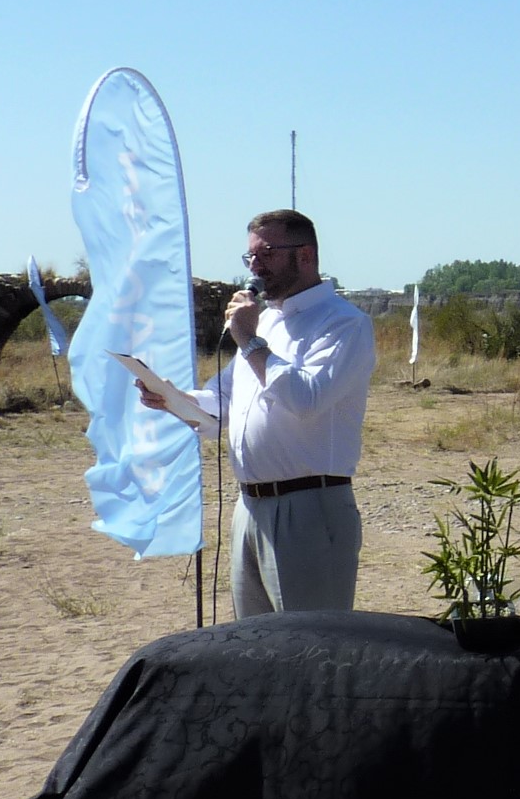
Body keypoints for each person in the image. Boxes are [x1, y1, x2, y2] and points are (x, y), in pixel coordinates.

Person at [140, 208, 376, 614]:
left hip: (309, 507)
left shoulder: (343, 324)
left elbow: (307, 399)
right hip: (249, 507)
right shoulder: (264, 323)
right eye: (250, 256)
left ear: (305, 255)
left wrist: (248, 341)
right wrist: (173, 400)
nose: (255, 266)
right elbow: (222, 404)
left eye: (267, 254)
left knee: (309, 641)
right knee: (255, 641)